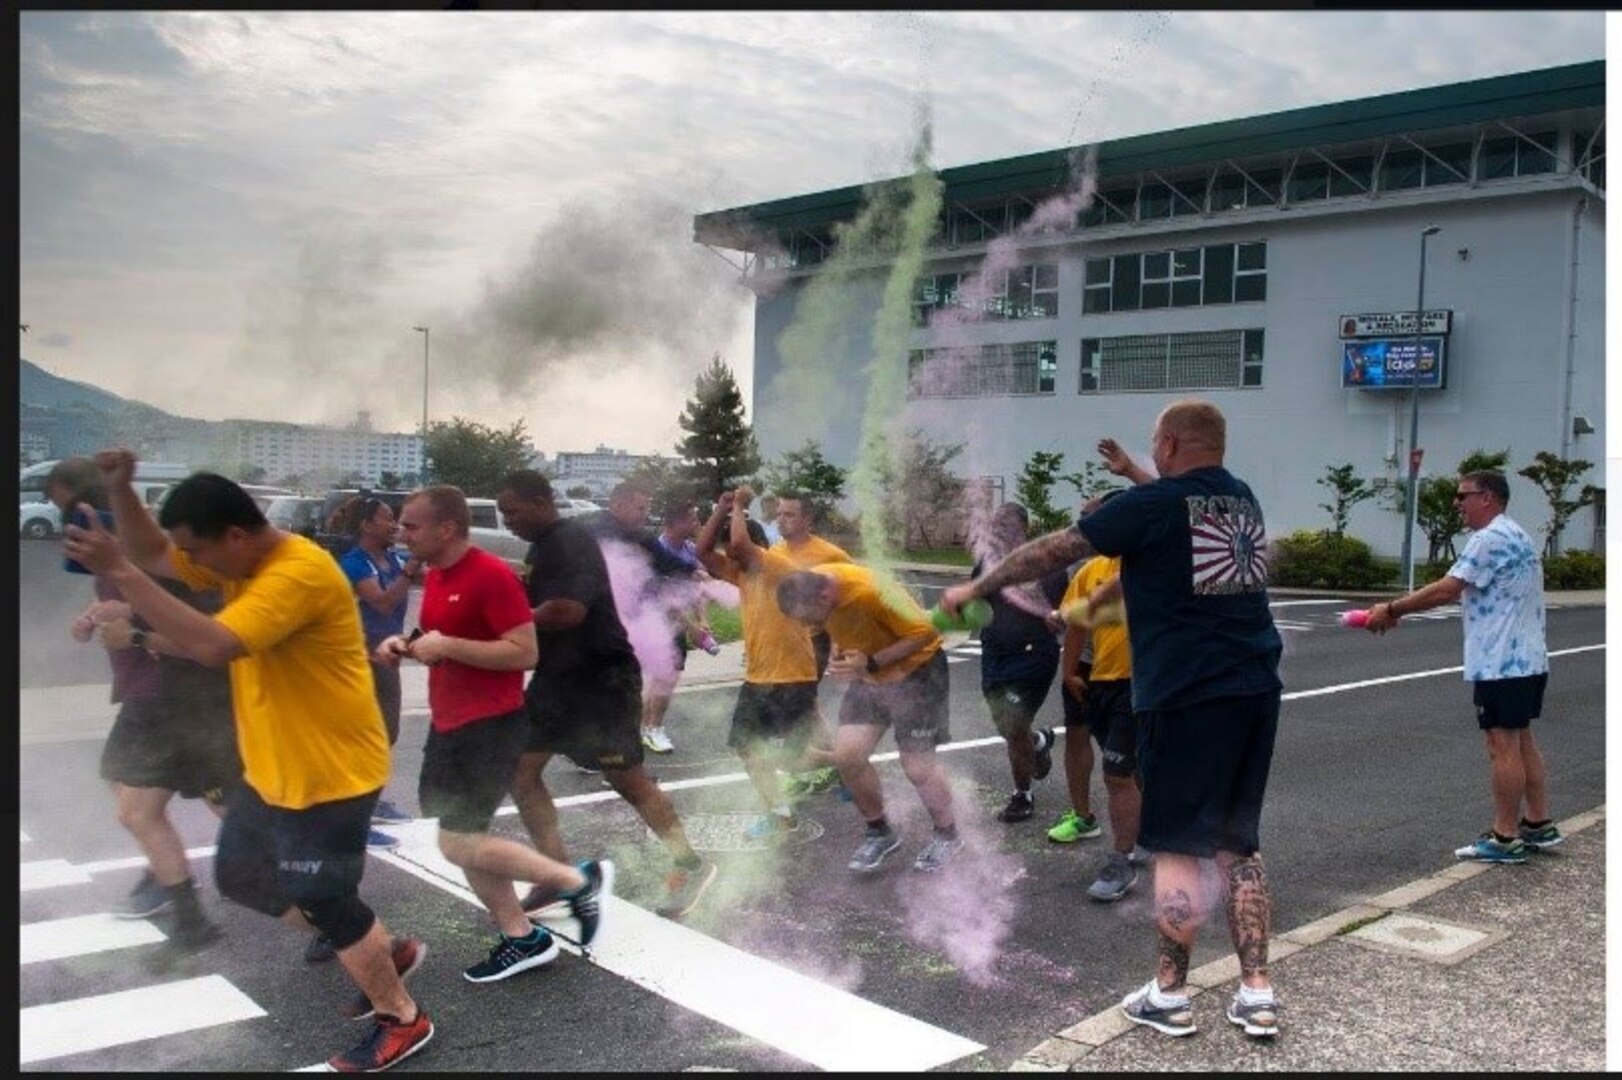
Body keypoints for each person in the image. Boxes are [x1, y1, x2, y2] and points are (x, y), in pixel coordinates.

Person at [63, 451, 434, 1072]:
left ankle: (403, 1016)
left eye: (201, 553)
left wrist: (121, 575)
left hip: (332, 771)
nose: (194, 567)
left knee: (323, 894)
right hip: (273, 766)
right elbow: (158, 554)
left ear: (235, 535)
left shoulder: (297, 575)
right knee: (241, 877)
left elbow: (212, 644)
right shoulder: (240, 557)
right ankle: (381, 948)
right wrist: (121, 491)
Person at [939, 399, 1284, 1040]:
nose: (1153, 453)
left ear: (1174, 444)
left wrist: (976, 587)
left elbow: (1053, 550)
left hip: (1185, 694)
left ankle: (1171, 995)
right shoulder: (1240, 501)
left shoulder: (1154, 504)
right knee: (1239, 843)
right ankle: (1257, 993)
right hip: (1255, 688)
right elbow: (1168, 520)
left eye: (1155, 444)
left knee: (1179, 845)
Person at [378, 485, 611, 983]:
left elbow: (524, 652)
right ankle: (521, 936)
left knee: (458, 843)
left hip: (489, 725)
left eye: (411, 525)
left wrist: (449, 645)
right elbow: (441, 639)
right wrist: (408, 645)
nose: (402, 532)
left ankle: (575, 880)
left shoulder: (490, 575)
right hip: (450, 723)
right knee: (463, 839)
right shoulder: (437, 575)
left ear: (447, 529)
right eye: (400, 523)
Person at [495, 470, 718, 921]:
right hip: (558, 679)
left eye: (512, 511)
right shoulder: (543, 547)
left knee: (627, 780)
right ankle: (556, 875)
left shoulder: (568, 541)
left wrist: (506, 618)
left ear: (541, 502)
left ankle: (692, 864)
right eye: (502, 514)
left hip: (603, 681)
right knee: (519, 770)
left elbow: (567, 611)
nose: (507, 522)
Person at [50, 457, 239, 957]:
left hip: (175, 698)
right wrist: (103, 615)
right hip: (162, 697)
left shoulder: (164, 561)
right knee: (150, 803)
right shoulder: (127, 560)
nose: (69, 533)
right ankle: (187, 907)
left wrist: (133, 627)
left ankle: (323, 905)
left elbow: (205, 634)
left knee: (164, 807)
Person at [1363, 470, 1559, 863]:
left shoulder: (1486, 540)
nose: (1457, 503)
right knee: (1522, 741)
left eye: (1462, 495)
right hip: (1530, 656)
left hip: (1501, 660)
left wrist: (1391, 608)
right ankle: (1538, 824)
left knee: (1501, 746)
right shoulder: (1518, 534)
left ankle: (1505, 837)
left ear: (1487, 498)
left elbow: (1447, 588)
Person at [775, 563, 961, 873]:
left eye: (810, 619)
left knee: (917, 766)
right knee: (849, 757)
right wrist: (839, 649)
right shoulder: (818, 586)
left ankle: (947, 834)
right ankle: (879, 831)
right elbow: (835, 624)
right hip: (868, 675)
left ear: (823, 597)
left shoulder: (873, 591)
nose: (809, 627)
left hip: (919, 672)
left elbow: (926, 631)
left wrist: (872, 662)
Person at [694, 488, 833, 840]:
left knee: (790, 758)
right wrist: (720, 509)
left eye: (735, 550)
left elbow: (740, 546)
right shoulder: (742, 572)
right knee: (748, 748)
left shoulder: (775, 566)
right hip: (760, 677)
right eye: (728, 551)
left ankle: (848, 762)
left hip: (790, 676)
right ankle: (781, 815)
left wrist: (740, 505)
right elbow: (702, 552)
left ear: (756, 548)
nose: (730, 556)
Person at [1054, 490, 1150, 901]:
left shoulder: (1152, 565)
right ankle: (1147, 832)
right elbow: (1078, 621)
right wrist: (1070, 670)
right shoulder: (1090, 569)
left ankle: (1122, 860)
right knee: (1130, 770)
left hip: (1144, 683)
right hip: (1101, 681)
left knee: (1116, 774)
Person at [584, 483, 704, 756]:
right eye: (640, 508)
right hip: (600, 622)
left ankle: (618, 754)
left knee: (624, 687)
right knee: (607, 688)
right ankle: (609, 755)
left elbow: (666, 563)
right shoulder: (590, 531)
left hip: (630, 624)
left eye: (646, 507)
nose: (645, 513)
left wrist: (694, 573)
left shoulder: (640, 536)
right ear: (618, 505)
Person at [971, 502, 1066, 825]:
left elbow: (1061, 610)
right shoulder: (988, 563)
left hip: (1032, 655)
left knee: (1013, 723)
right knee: (1008, 727)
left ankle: (1023, 795)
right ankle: (1038, 742)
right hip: (994, 655)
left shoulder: (1046, 564)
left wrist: (1056, 618)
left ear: (1023, 528)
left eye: (1007, 526)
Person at [335, 497, 422, 844]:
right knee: (363, 739)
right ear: (366, 525)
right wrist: (410, 569)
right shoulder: (354, 562)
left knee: (387, 734)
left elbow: (437, 574)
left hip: (388, 658)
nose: (395, 526)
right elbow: (383, 602)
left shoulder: (395, 558)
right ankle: (353, 820)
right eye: (388, 519)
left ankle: (371, 801)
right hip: (360, 662)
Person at [769, 491, 853, 797]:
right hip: (783, 644)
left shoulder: (831, 555)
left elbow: (849, 598)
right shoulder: (774, 552)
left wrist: (840, 642)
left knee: (795, 706)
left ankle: (812, 766)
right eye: (779, 514)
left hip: (815, 642)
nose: (782, 520)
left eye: (790, 515)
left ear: (807, 519)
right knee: (808, 706)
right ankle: (841, 767)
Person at [640, 500, 715, 754]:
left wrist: (703, 620)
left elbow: (699, 588)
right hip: (657, 622)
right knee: (663, 678)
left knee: (661, 678)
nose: (698, 523)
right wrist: (692, 627)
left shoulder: (691, 549)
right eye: (692, 519)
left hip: (678, 624)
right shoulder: (658, 551)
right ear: (677, 522)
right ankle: (653, 729)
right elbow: (666, 597)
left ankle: (646, 729)